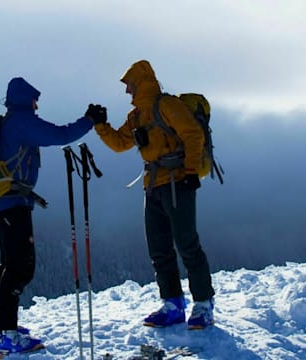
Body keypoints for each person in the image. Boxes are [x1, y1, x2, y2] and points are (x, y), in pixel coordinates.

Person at [89, 60, 216, 330]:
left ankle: (203, 304)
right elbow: (120, 143)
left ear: (141, 82)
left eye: (129, 85)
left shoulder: (166, 106)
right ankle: (173, 303)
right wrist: (100, 125)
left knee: (186, 244)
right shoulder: (137, 116)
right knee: (159, 248)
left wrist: (192, 171)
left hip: (178, 181)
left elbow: (193, 134)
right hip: (154, 184)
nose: (127, 91)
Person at [0, 77, 103, 354]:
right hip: (13, 202)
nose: (37, 105)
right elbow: (60, 135)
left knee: (7, 264)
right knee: (20, 267)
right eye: (35, 99)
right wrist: (89, 120)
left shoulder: (10, 121)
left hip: (4, 201)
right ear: (27, 99)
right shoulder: (22, 121)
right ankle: (6, 334)